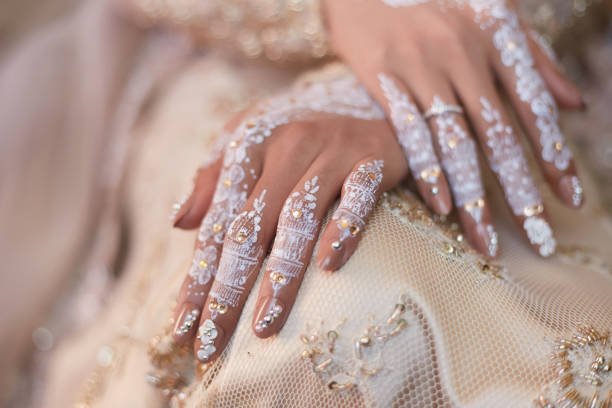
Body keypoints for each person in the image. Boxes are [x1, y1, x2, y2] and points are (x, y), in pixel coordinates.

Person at [0, 0, 610, 407]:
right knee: (305, 299)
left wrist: (427, 70)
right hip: (229, 50)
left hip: (521, 56)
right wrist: (336, 13)